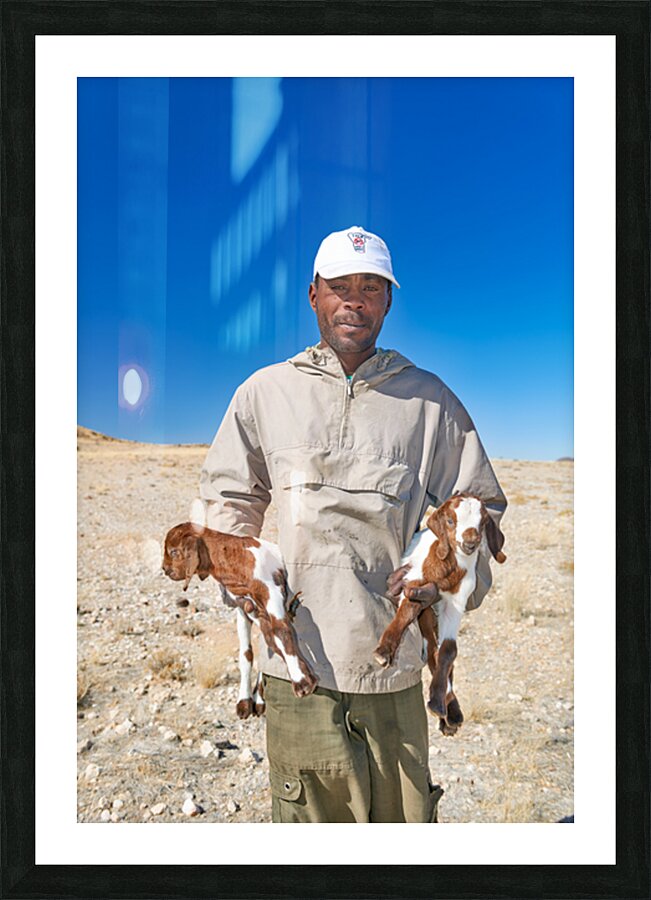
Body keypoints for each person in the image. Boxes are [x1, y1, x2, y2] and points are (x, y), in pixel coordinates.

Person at [199, 225, 507, 823]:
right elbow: (227, 495)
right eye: (340, 286)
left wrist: (444, 582)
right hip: (296, 666)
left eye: (371, 288)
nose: (355, 301)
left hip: (393, 670)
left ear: (388, 301)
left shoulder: (430, 403)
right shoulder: (265, 393)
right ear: (313, 294)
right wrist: (240, 577)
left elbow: (480, 507)